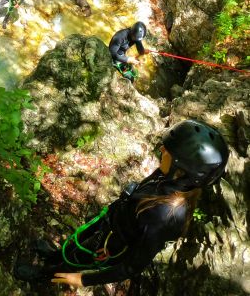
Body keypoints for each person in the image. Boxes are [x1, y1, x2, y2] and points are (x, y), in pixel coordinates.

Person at [14, 119, 229, 288]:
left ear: (184, 170)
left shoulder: (165, 217)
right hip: (112, 221)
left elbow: (132, 266)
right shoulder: (170, 178)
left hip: (113, 245)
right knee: (75, 242)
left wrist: (83, 280)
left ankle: (44, 274)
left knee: (76, 258)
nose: (162, 151)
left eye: (168, 152)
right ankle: (53, 255)